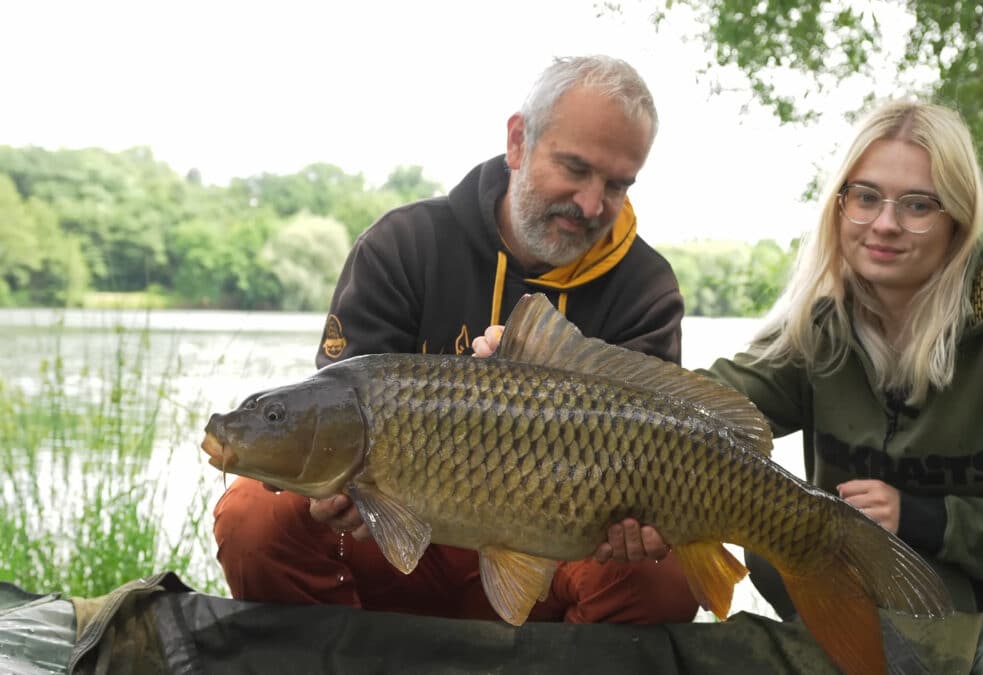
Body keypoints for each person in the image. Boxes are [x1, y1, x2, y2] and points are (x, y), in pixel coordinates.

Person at [477, 99, 983, 623]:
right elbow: (699, 401)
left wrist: (925, 517)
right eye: (866, 196)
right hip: (859, 607)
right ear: (840, 207)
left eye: (917, 205)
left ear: (959, 220)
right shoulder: (822, 331)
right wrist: (545, 393)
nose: (885, 224)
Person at [212, 54, 698, 625]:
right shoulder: (403, 246)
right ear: (518, 142)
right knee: (252, 513)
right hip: (394, 544)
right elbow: (332, 410)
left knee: (666, 577)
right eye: (575, 168)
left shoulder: (645, 288)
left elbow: (658, 463)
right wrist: (335, 498)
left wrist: (639, 531)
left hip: (554, 543)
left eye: (618, 184)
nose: (592, 204)